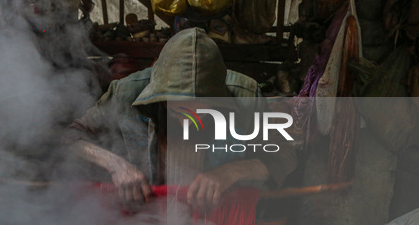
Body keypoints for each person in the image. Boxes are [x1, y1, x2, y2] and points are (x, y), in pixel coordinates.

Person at [63, 27, 297, 211]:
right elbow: (71, 137)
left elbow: (285, 153)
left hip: (215, 218)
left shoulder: (245, 97)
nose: (190, 120)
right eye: (179, 110)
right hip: (145, 217)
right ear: (159, 93)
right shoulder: (126, 94)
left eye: (201, 111)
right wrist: (116, 165)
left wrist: (232, 171)